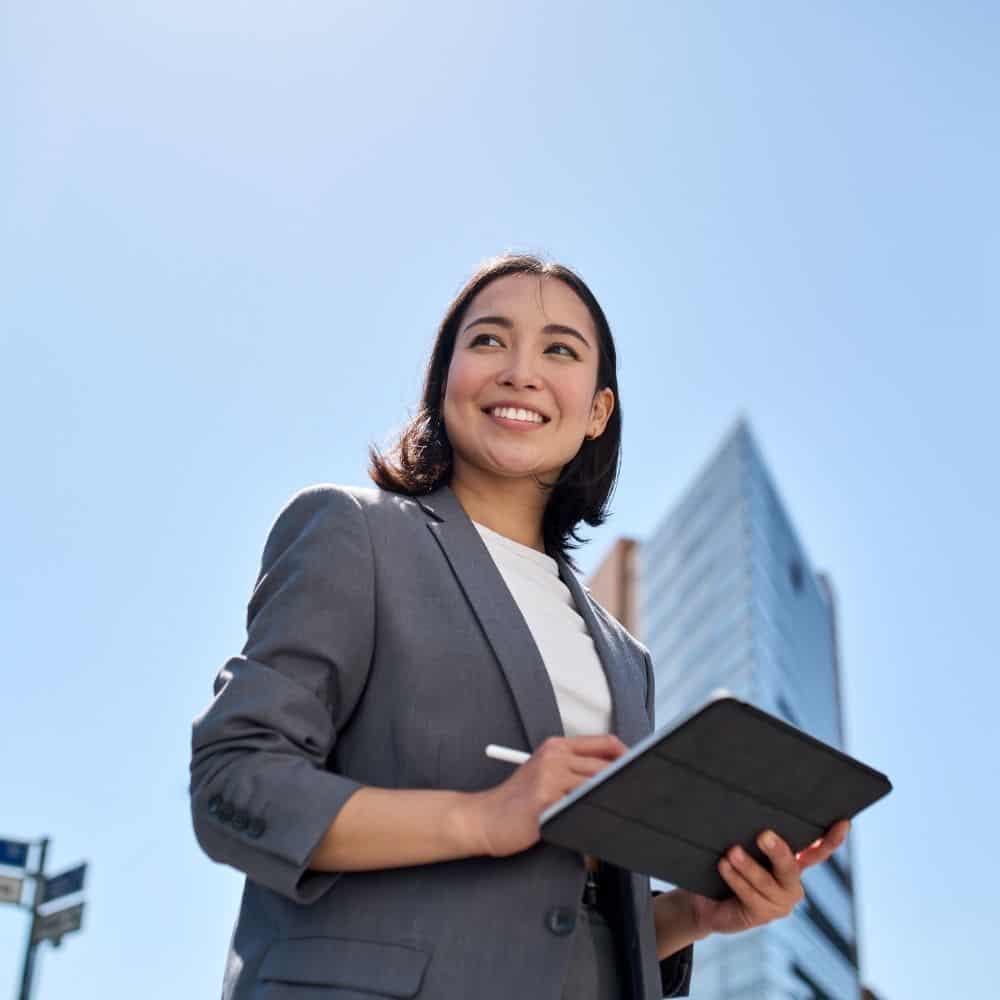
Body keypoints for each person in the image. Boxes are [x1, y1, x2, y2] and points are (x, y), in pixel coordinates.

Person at [189, 253, 850, 1000]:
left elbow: (563, 919)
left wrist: (694, 913)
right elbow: (234, 785)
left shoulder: (625, 658)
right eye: (488, 341)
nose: (520, 371)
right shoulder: (355, 532)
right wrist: (481, 818)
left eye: (559, 350)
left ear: (597, 412)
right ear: (446, 381)